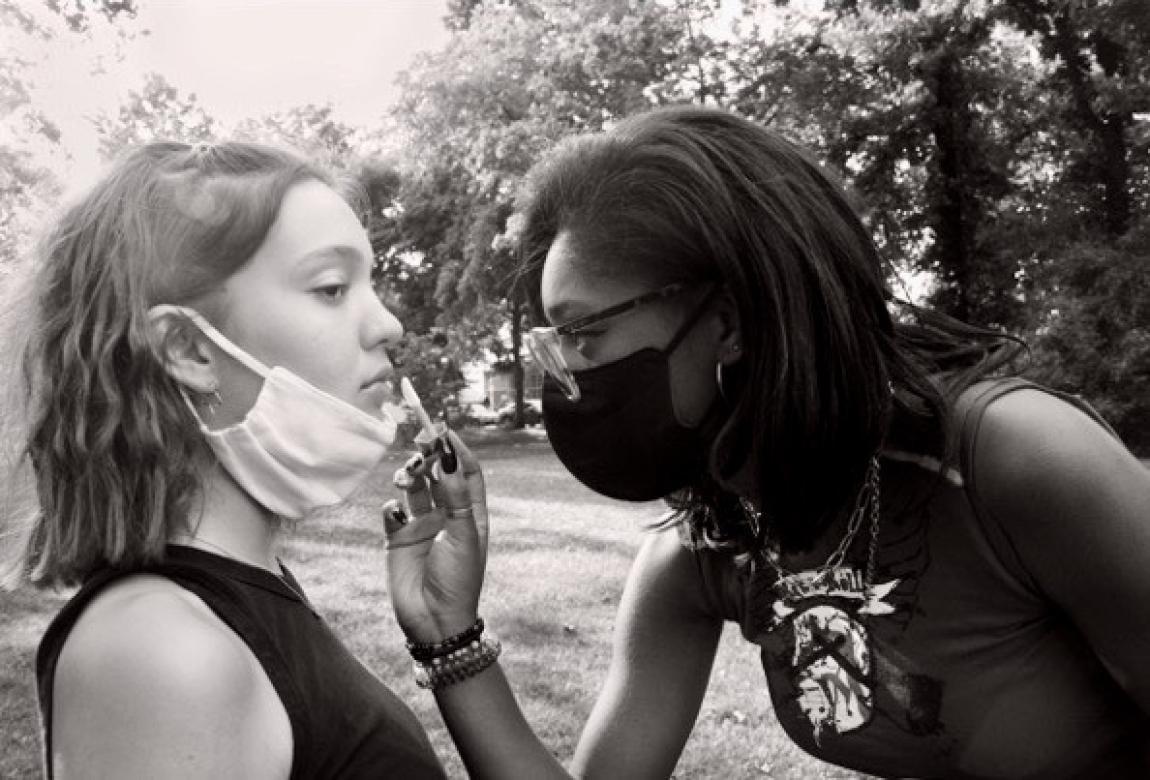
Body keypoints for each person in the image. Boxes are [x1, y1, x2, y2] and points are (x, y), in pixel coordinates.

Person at [383, 106, 1150, 778]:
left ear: (732, 321)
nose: (567, 376)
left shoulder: (1015, 460)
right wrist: (450, 636)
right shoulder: (703, 554)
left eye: (585, 334)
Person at [6, 141, 447, 778]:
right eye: (331, 288)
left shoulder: (245, 596)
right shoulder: (160, 649)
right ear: (189, 348)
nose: (387, 323)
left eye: (370, 283)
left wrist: (447, 637)